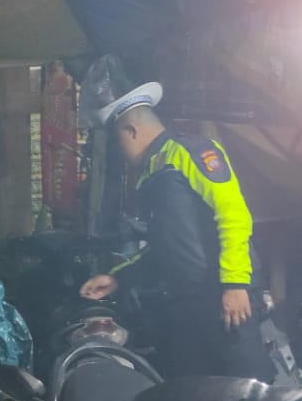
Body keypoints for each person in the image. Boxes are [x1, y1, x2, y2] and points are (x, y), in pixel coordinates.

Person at [79, 81, 274, 382]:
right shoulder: (153, 172)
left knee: (249, 388)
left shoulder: (191, 152)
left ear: (131, 131)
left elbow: (233, 214)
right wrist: (118, 278)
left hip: (223, 298)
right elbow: (166, 247)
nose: (122, 153)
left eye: (119, 141)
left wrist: (234, 284)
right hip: (187, 303)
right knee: (188, 390)